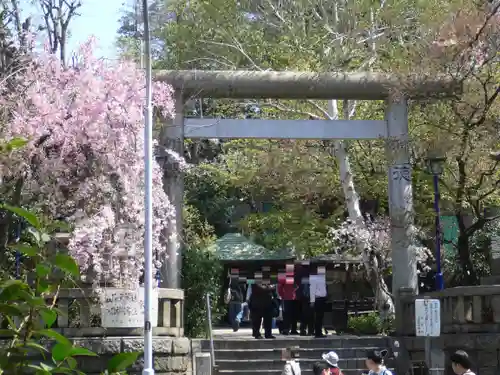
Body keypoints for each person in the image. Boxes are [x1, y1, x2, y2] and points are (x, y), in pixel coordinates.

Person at [278, 265, 299, 335]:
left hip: (288, 297)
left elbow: (279, 287)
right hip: (292, 297)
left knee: (288, 314)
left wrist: (282, 295)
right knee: (293, 314)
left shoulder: (283, 275)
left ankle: (287, 329)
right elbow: (280, 287)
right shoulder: (294, 275)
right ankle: (292, 329)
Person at [310, 266, 328, 338]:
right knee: (318, 316)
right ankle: (317, 332)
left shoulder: (322, 279)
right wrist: (312, 301)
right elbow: (312, 289)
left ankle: (319, 331)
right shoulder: (315, 279)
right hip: (318, 299)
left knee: (320, 317)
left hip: (322, 299)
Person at [297, 265, 313, 336]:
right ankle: (309, 330)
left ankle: (304, 330)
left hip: (304, 296)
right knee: (309, 314)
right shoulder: (310, 272)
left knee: (305, 314)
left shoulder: (300, 272)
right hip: (307, 296)